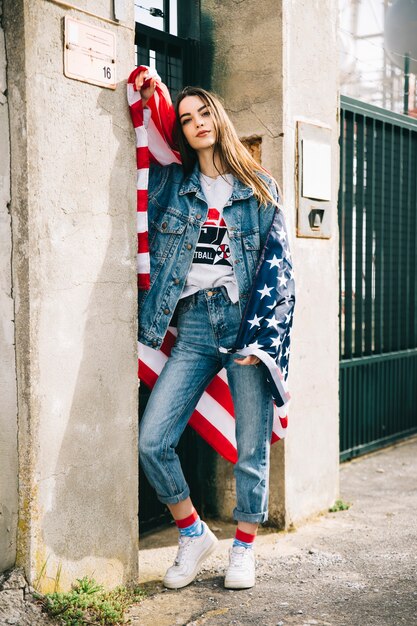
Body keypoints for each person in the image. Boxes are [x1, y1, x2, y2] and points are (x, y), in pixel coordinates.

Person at [132, 68, 293, 590]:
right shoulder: (173, 188)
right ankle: (193, 532)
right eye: (186, 119)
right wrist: (152, 99)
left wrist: (262, 341)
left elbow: (281, 272)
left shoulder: (258, 189)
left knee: (251, 446)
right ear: (181, 130)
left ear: (218, 119)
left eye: (204, 113)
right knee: (153, 439)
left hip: (244, 324)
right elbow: (146, 149)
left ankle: (243, 547)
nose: (197, 123)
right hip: (194, 325)